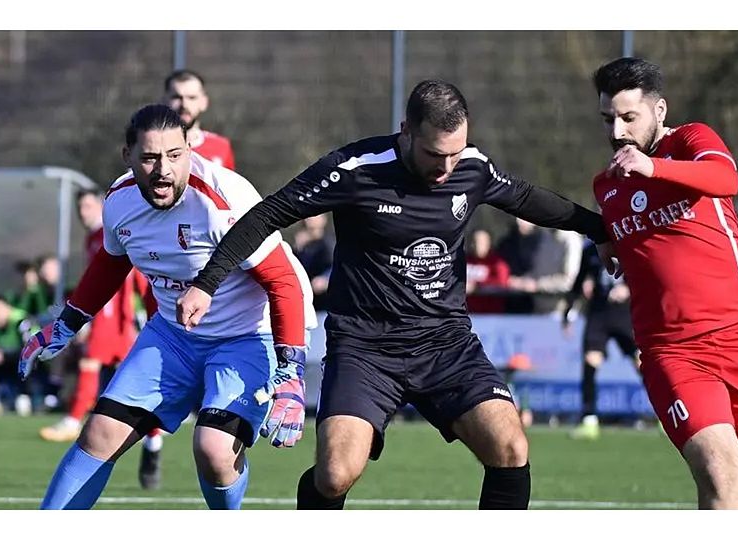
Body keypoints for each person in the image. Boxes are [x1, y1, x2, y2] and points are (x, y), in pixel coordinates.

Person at [176, 79, 612, 510]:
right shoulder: (355, 168)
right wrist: (206, 283)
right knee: (334, 476)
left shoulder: (472, 167)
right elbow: (268, 214)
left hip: (446, 343)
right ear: (406, 130)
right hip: (365, 348)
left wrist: (602, 230)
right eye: (434, 155)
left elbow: (528, 199)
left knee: (510, 449)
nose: (446, 168)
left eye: (455, 154)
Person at [19, 104, 315, 510]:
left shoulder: (224, 200)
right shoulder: (120, 201)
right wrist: (67, 324)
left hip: (248, 335)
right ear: (128, 157)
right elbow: (112, 261)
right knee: (99, 434)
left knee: (213, 449)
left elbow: (283, 281)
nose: (164, 170)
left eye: (174, 156)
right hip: (173, 336)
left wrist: (292, 373)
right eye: (150, 157)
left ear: (190, 150)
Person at [591, 57, 738, 509]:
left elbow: (726, 178)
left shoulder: (691, 140)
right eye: (608, 119)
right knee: (720, 475)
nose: (617, 132)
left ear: (659, 110)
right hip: (674, 352)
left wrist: (653, 168)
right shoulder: (606, 187)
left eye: (629, 118)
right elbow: (619, 235)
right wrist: (602, 240)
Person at [569, 240, 640, 440]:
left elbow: (646, 269)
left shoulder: (628, 239)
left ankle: (664, 414)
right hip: (598, 314)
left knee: (642, 362)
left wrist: (628, 288)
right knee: (591, 361)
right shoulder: (590, 248)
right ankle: (589, 419)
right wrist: (569, 310)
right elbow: (580, 278)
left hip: (625, 314)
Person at [164, 69, 236, 170]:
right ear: (164, 100)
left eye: (191, 97)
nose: (184, 104)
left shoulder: (221, 146)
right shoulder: (152, 146)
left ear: (204, 102)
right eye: (176, 97)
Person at [293, 214, 335, 309]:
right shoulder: (302, 245)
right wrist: (297, 250)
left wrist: (324, 279)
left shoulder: (329, 242)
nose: (309, 219)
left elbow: (336, 266)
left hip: (325, 305)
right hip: (309, 305)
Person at [465, 229, 511, 313]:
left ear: (489, 243)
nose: (478, 245)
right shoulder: (464, 261)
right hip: (467, 314)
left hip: (490, 315)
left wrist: (477, 287)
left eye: (481, 242)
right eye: (475, 241)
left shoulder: (497, 263)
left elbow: (502, 283)